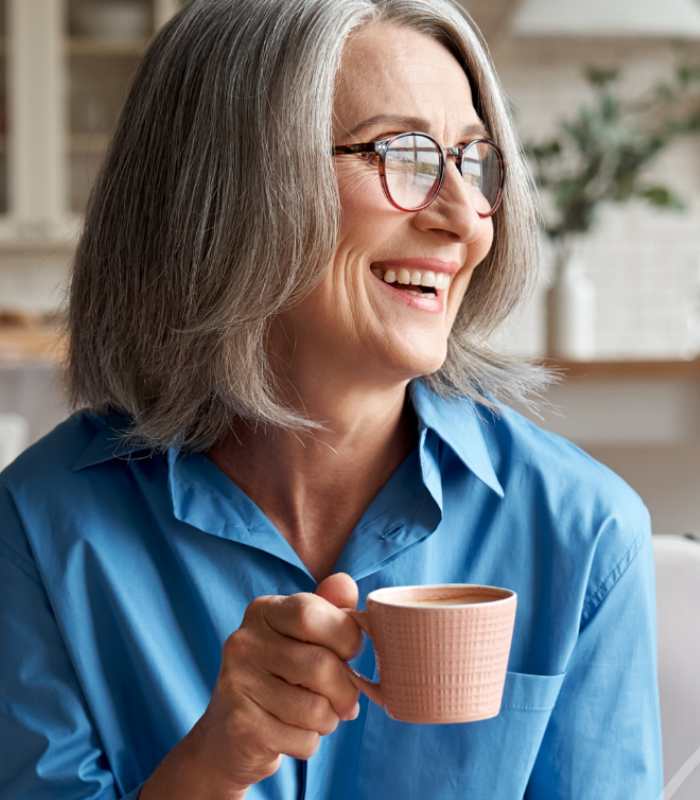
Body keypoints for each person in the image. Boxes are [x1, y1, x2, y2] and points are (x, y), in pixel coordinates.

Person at [0, 0, 663, 798]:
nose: (466, 218)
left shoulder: (586, 534)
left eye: (475, 162)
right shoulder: (38, 530)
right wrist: (215, 762)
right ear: (228, 186)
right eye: (406, 156)